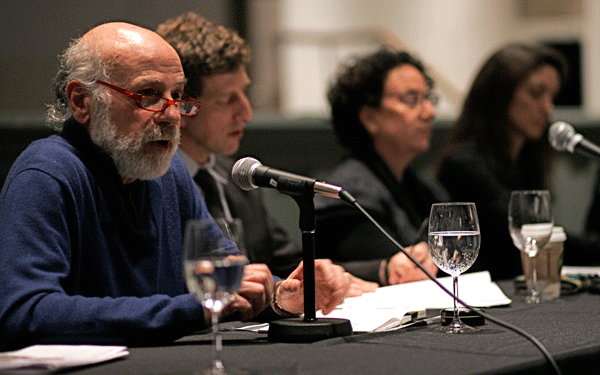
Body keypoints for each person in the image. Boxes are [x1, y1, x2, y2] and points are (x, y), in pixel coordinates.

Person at [0, 22, 350, 351]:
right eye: (148, 95)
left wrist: (278, 297)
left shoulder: (169, 174)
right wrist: (191, 309)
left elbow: (227, 280)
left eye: (178, 95)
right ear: (82, 101)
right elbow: (24, 312)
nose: (171, 114)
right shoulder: (45, 176)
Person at [156, 12, 378, 297]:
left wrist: (380, 270)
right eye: (227, 100)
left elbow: (289, 268)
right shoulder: (152, 185)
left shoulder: (238, 175)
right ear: (183, 106)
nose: (246, 113)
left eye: (245, 93)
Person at [436, 42, 575, 281]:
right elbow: (527, 235)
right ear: (499, 94)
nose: (547, 107)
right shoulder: (464, 163)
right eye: (536, 93)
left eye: (552, 96)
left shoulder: (526, 163)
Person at [314, 47, 445, 286]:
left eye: (429, 99)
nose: (430, 112)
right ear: (369, 118)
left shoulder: (424, 189)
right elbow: (398, 272)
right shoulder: (347, 194)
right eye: (412, 99)